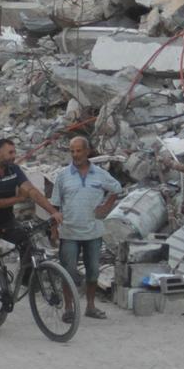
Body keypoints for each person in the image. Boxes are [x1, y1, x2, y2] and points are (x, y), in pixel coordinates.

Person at [0, 138, 60, 339]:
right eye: (9, 152)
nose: (13, 155)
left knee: (27, 240)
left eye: (14, 152)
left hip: (5, 223)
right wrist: (19, 198)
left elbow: (32, 192)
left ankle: (27, 278)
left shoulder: (14, 171)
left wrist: (53, 212)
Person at [49, 136, 122, 321]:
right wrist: (53, 229)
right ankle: (69, 309)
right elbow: (55, 205)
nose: (75, 155)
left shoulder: (99, 173)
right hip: (69, 232)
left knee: (93, 271)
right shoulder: (63, 175)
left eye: (79, 150)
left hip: (93, 232)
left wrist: (106, 207)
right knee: (68, 270)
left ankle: (90, 306)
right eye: (72, 151)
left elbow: (117, 188)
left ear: (87, 151)